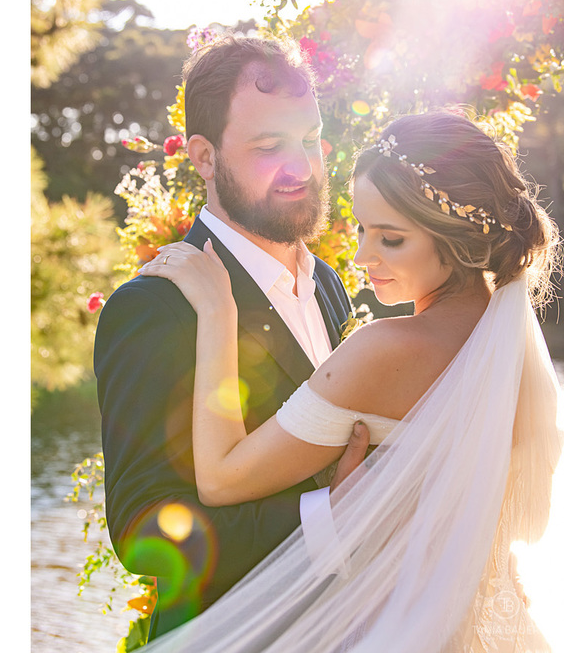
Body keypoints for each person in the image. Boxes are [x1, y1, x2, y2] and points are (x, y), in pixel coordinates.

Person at [139, 111, 560, 651]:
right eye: (362, 229)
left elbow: (220, 479)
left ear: (454, 238)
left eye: (391, 239)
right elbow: (525, 524)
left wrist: (218, 310)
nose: (362, 257)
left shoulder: (387, 349)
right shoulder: (515, 352)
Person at [93, 36, 369, 638]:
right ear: (204, 156)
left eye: (307, 138)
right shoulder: (155, 309)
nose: (300, 165)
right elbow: (143, 531)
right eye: (269, 146)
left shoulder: (327, 283)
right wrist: (329, 520)